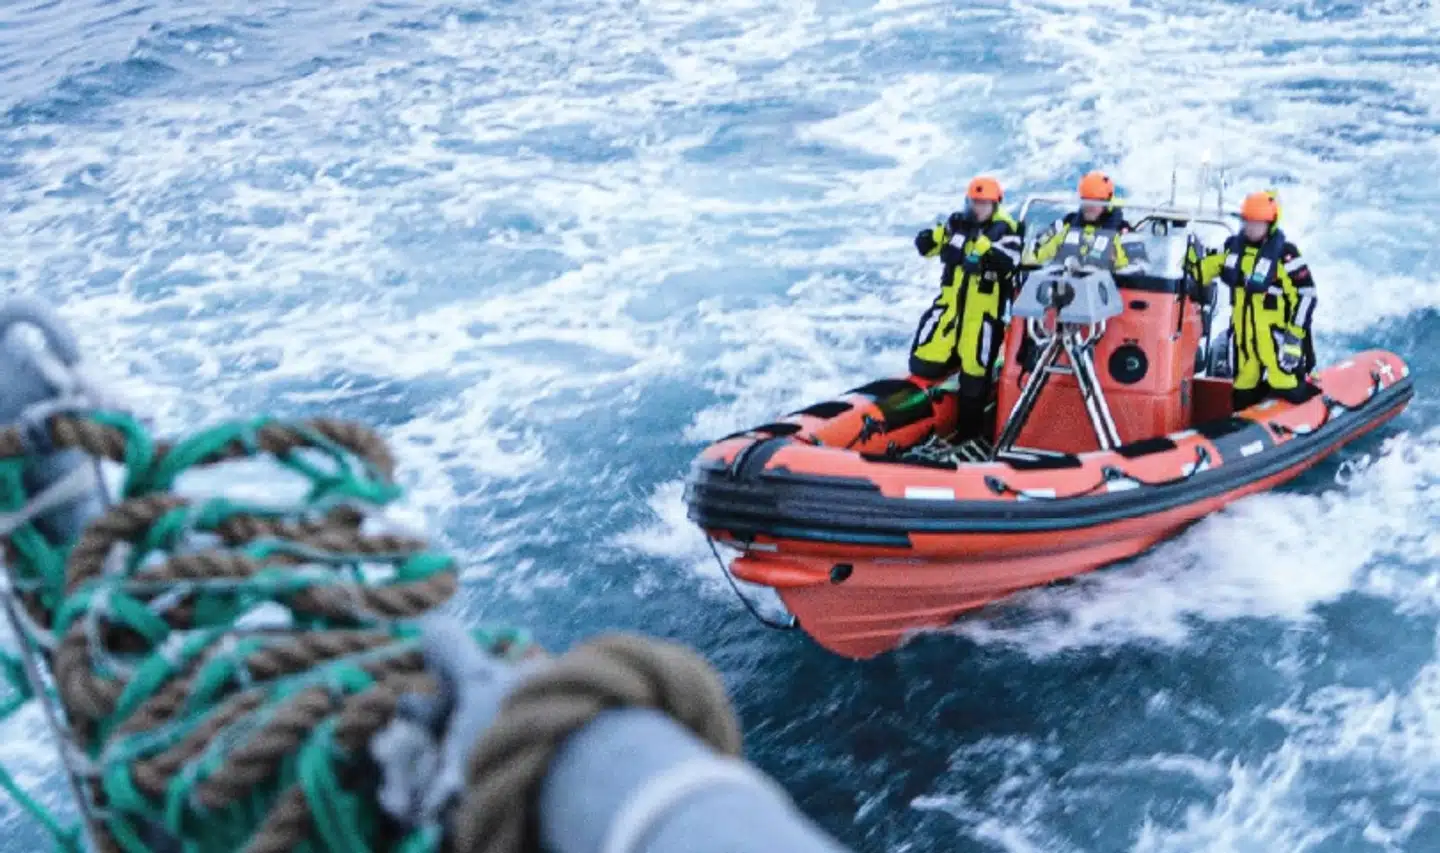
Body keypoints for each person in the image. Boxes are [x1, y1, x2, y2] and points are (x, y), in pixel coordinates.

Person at [908, 175, 1023, 439]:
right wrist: (931, 237)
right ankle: (940, 400)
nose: (978, 208)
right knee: (921, 366)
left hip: (981, 320)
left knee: (974, 379)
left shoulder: (1005, 231)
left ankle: (969, 433)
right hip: (949, 314)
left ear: (995, 205)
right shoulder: (957, 225)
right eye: (974, 202)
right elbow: (929, 245)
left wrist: (985, 256)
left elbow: (1011, 260)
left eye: (984, 203)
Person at [1188, 189, 1317, 410]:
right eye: (1247, 221)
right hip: (1245, 344)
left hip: (1277, 342)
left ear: (1270, 224)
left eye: (1257, 222)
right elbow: (1201, 270)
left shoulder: (1286, 256)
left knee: (1288, 387)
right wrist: (1185, 256)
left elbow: (1307, 295)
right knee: (1242, 393)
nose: (1251, 227)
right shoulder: (1231, 250)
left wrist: (1294, 335)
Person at [1027, 170, 1147, 271]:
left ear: (1107, 202)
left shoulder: (1123, 231)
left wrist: (1114, 269)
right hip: (1062, 287)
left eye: (1096, 202)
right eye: (1086, 201)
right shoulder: (1065, 225)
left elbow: (1139, 268)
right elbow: (1033, 254)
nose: (1090, 206)